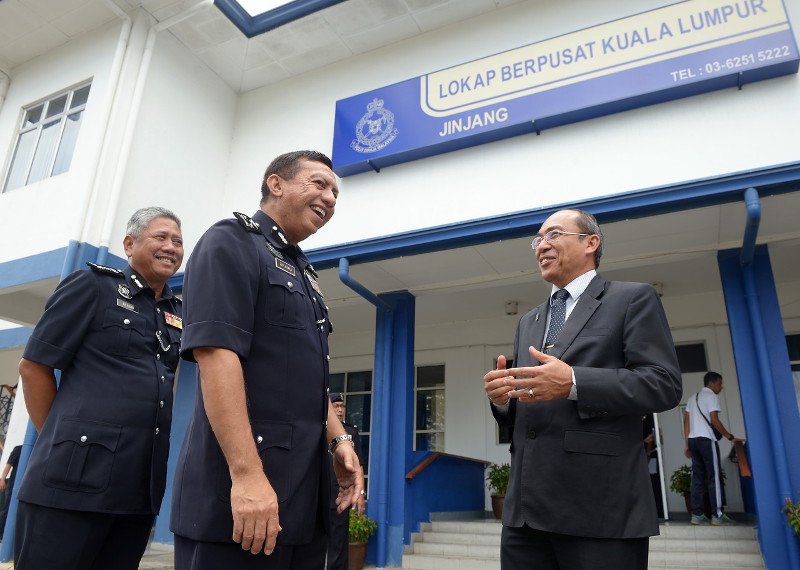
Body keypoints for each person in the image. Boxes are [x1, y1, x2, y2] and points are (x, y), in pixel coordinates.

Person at [171, 150, 363, 570]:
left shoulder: (304, 272)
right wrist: (246, 475)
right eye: (319, 184)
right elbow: (216, 355)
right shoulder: (231, 241)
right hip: (241, 500)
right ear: (276, 184)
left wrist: (339, 441)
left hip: (301, 499)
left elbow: (309, 382)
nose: (331, 197)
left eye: (336, 192)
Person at [484, 209, 682, 570]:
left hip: (599, 509)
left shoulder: (632, 299)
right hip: (525, 513)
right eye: (537, 239)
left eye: (554, 234)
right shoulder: (530, 320)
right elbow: (531, 400)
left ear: (591, 242)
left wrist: (575, 382)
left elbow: (663, 384)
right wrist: (502, 401)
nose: (542, 245)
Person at [14, 207, 184, 569]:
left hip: (137, 489)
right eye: (161, 237)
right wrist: (61, 444)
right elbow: (33, 366)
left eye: (178, 241)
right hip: (70, 485)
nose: (171, 247)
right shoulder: (93, 286)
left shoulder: (176, 312)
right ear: (129, 243)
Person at [683, 371, 744, 526]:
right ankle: (717, 515)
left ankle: (696, 515)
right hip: (706, 440)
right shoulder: (712, 397)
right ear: (711, 383)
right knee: (714, 476)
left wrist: (686, 444)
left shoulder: (692, 398)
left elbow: (686, 422)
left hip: (693, 441)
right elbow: (714, 420)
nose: (721, 387)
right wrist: (730, 437)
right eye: (719, 383)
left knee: (697, 477)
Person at [327, 393, 365, 570]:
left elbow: (359, 466)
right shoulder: (318, 429)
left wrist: (360, 494)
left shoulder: (351, 432)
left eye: (342, 406)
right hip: (316, 493)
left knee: (339, 541)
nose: (340, 410)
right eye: (336, 406)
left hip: (340, 494)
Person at [0, 444, 22, 535]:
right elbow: (8, 465)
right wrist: (2, 480)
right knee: (7, 507)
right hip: (13, 483)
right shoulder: (18, 449)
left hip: (25, 484)